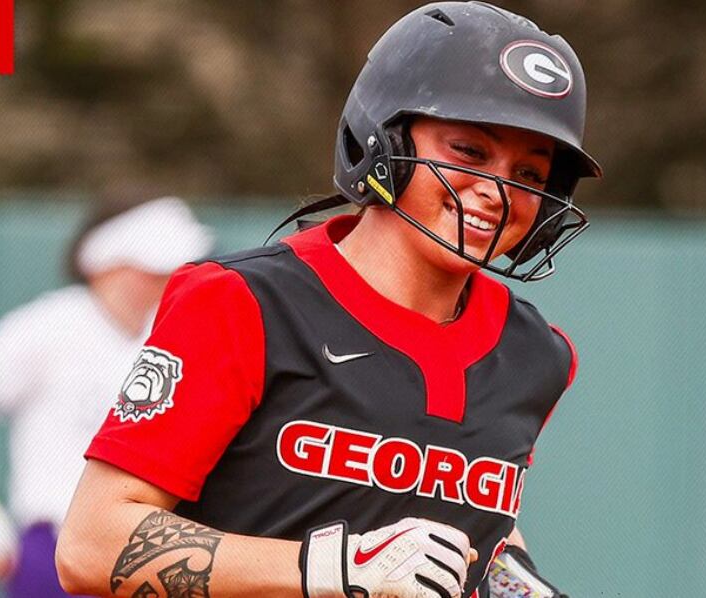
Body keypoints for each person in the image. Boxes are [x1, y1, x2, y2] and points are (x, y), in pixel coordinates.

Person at [57, 3, 600, 597]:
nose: (498, 190)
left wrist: (512, 580)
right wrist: (333, 569)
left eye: (529, 173)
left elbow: (478, 527)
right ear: (384, 136)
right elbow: (92, 545)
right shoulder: (243, 305)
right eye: (469, 151)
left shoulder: (534, 354)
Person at [0, 194, 213, 598]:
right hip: (52, 548)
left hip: (150, 550)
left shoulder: (174, 333)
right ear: (106, 265)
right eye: (148, 270)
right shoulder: (47, 327)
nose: (159, 280)